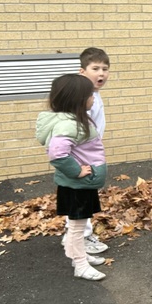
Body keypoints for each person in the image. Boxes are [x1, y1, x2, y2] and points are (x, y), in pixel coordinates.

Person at [37, 74, 109, 281]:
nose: (93, 99)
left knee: (77, 225)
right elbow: (57, 154)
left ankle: (80, 256)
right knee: (77, 229)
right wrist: (77, 172)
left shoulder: (75, 121)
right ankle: (80, 264)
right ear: (77, 99)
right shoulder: (69, 125)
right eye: (90, 95)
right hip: (77, 185)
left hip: (82, 184)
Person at [64, 47, 111, 254]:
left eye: (105, 69)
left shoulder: (94, 94)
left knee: (85, 197)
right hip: (81, 158)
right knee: (80, 197)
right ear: (82, 72)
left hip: (89, 155)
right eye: (95, 68)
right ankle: (79, 239)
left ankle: (77, 236)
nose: (101, 73)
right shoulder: (83, 98)